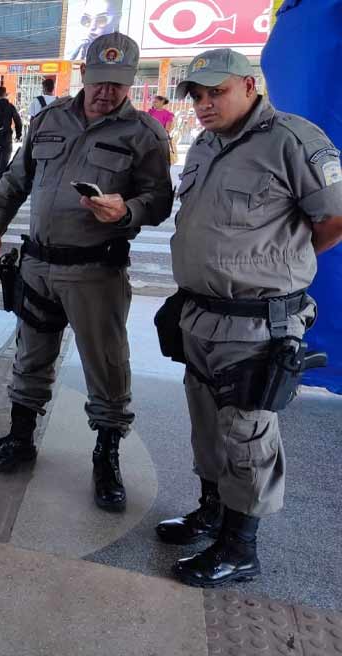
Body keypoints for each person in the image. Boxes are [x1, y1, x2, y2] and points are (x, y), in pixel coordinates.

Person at [155, 49, 342, 587]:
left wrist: (277, 268)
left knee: (248, 432)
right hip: (201, 315)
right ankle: (211, 513)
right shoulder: (205, 145)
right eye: (197, 94)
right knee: (208, 425)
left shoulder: (293, 139)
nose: (204, 103)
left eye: (216, 92)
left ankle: (240, 547)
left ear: (249, 85)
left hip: (258, 321)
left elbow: (331, 220)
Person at [0, 33, 173, 512]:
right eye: (101, 82)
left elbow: (160, 200)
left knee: (106, 367)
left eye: (119, 85)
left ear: (130, 84)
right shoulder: (48, 119)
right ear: (84, 74)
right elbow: (17, 180)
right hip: (39, 263)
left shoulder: (145, 134)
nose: (108, 93)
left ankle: (106, 458)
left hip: (95, 273)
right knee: (30, 354)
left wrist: (125, 210)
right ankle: (20, 438)